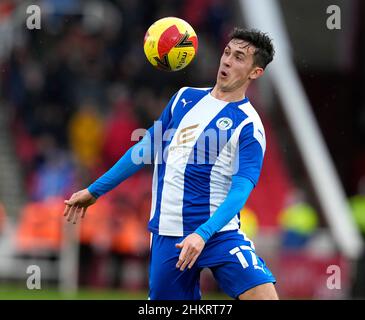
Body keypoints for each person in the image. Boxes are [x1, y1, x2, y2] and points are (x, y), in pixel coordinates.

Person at [64, 27, 278, 300]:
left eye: (238, 58)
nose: (226, 61)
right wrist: (94, 190)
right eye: (227, 52)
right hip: (169, 235)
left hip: (217, 234)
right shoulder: (184, 98)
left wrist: (203, 233)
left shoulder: (249, 125)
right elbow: (144, 149)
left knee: (265, 298)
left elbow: (240, 191)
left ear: (255, 72)